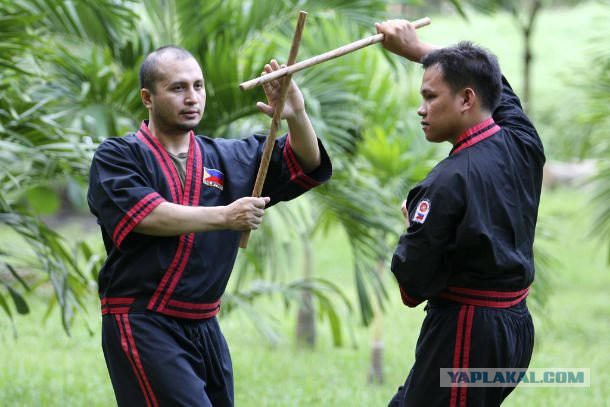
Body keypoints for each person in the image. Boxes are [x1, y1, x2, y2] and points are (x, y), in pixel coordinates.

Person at [87, 45, 332, 406]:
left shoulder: (227, 157)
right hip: (143, 321)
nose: (192, 98)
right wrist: (226, 216)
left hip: (204, 324)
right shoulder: (118, 156)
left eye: (198, 86)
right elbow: (146, 215)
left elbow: (305, 162)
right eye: (177, 88)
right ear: (147, 98)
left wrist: (296, 115)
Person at [374, 20, 545, 406]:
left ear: (467, 99)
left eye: (431, 97)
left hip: (468, 333)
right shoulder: (523, 141)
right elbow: (495, 84)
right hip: (514, 329)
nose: (421, 109)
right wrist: (418, 49)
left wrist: (412, 226)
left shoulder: (445, 183)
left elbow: (412, 287)